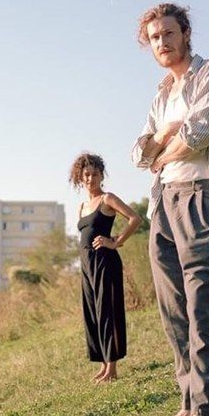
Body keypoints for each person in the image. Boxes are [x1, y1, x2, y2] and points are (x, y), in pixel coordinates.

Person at [130, 3, 209, 416]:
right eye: (155, 37)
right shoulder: (162, 94)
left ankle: (204, 412)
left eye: (168, 33)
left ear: (185, 33)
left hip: (200, 197)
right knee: (172, 309)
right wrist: (164, 137)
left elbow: (200, 131)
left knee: (200, 307)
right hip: (162, 203)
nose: (162, 42)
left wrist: (161, 149)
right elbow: (137, 153)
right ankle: (186, 401)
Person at [69, 153, 141, 382]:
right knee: (93, 313)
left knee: (108, 312)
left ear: (102, 176)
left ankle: (113, 368)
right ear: (80, 178)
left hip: (105, 262)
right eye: (86, 174)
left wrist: (115, 242)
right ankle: (103, 364)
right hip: (87, 265)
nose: (90, 178)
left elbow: (135, 219)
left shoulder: (107, 199)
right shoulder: (81, 206)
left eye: (95, 174)